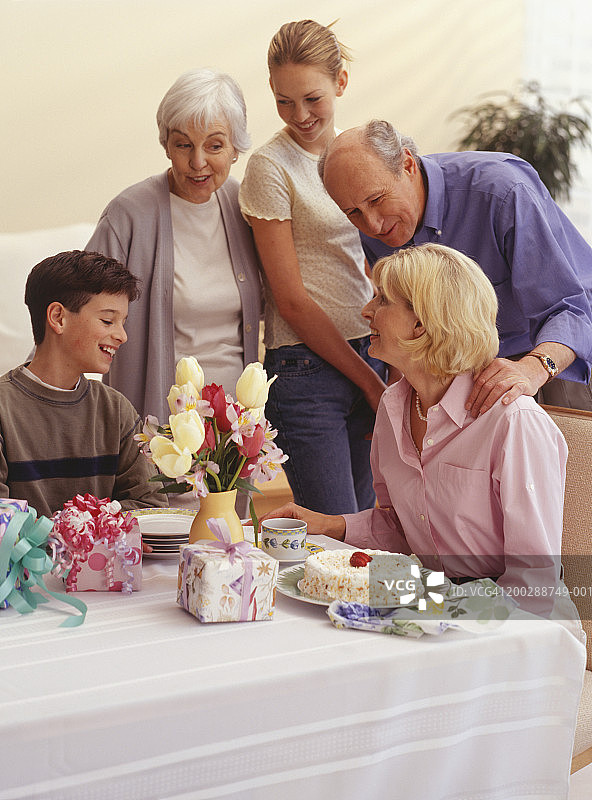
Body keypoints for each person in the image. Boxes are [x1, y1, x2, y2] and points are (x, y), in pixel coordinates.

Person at [264, 243, 568, 604]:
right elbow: (404, 526)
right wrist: (328, 524)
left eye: (381, 300)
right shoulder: (393, 407)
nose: (366, 311)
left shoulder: (514, 421)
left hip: (506, 620)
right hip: (431, 600)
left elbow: (534, 583)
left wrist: (443, 617)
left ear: (421, 323)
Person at [318, 120, 592, 415]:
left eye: (377, 199)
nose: (371, 224)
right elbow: (407, 324)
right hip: (468, 368)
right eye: (353, 212)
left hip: (555, 351)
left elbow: (569, 310)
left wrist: (533, 370)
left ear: (407, 165)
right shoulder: (377, 227)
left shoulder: (502, 191)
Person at [239, 20, 387, 516]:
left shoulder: (356, 154)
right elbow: (291, 300)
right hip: (306, 371)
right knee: (333, 538)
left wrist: (382, 363)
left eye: (312, 99)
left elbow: (372, 257)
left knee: (367, 531)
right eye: (284, 101)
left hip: (371, 353)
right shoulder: (270, 167)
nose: (299, 115)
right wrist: (369, 382)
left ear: (340, 83)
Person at [86, 68, 261, 424]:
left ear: (235, 149)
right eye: (183, 144)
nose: (198, 162)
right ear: (166, 144)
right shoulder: (129, 214)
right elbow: (75, 306)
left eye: (214, 145)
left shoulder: (248, 206)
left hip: (236, 427)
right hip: (157, 422)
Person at [0, 250, 167, 519]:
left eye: (123, 322)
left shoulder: (116, 410)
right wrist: (89, 528)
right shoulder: (3, 409)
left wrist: (83, 528)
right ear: (58, 317)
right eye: (107, 320)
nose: (122, 336)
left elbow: (152, 507)